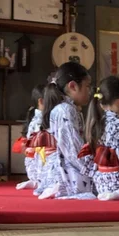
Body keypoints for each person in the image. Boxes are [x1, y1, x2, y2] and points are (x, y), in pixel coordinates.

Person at [33, 62, 94, 200]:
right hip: (65, 173)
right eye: (87, 86)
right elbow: (73, 151)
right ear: (73, 86)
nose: (90, 91)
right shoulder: (65, 110)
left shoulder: (68, 109)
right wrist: (93, 170)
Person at [13, 84, 45, 190]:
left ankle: (35, 180)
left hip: (34, 162)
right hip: (39, 160)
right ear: (41, 101)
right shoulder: (40, 120)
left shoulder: (35, 119)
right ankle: (38, 181)